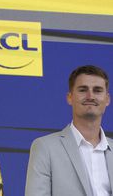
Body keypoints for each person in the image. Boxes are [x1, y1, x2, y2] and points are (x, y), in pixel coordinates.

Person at [25, 65, 113, 196]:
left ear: (107, 99)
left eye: (97, 90)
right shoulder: (45, 147)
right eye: (83, 90)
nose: (90, 96)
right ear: (70, 97)